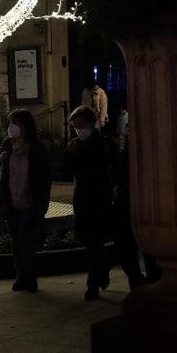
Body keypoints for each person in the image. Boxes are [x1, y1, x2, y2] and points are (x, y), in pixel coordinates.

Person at [60, 105, 114, 301]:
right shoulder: (76, 145)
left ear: (91, 124)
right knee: (90, 243)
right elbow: (66, 173)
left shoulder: (102, 143)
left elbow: (105, 170)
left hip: (99, 199)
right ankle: (102, 270)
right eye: (75, 127)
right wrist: (69, 153)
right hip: (82, 199)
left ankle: (93, 284)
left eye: (81, 126)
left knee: (94, 244)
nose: (78, 130)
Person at [0, 109, 51, 291]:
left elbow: (43, 178)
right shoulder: (7, 145)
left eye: (15, 123)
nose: (11, 127)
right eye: (10, 123)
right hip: (11, 202)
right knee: (16, 242)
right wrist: (0, 161)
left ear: (25, 126)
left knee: (27, 242)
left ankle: (30, 277)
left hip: (29, 202)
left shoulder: (36, 148)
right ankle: (21, 276)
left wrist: (41, 205)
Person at [110, 130, 158, 289]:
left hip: (143, 205)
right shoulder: (125, 152)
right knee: (125, 250)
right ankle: (140, 284)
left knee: (148, 250)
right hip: (126, 206)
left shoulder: (148, 154)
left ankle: (150, 284)